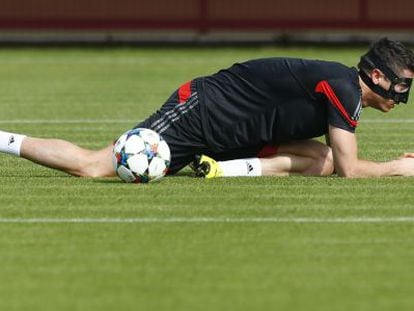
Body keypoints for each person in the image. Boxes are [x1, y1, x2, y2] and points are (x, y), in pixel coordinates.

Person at [1, 37, 414, 179]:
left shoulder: (345, 91)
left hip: (242, 135)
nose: (402, 95)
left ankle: (218, 171)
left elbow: (338, 163)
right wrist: (399, 167)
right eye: (400, 83)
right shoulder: (343, 86)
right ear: (376, 76)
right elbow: (352, 170)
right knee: (93, 167)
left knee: (321, 159)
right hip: (202, 112)